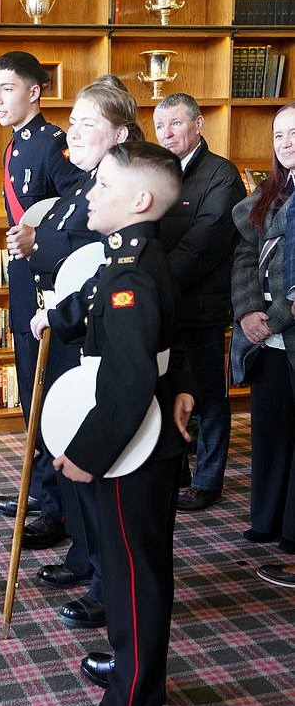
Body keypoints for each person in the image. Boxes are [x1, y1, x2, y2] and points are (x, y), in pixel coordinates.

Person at [31, 141, 195, 706]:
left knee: (133, 575)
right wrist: (57, 316)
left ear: (140, 201)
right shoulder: (131, 260)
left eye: (102, 187)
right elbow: (150, 337)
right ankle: (133, 660)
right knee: (135, 571)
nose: (89, 195)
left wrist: (85, 453)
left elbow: (128, 380)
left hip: (132, 444)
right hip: (137, 432)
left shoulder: (132, 271)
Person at [28, 84, 140, 638]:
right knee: (64, 450)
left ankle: (103, 583)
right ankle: (82, 558)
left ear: (120, 134)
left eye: (86, 123)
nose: (71, 132)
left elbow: (108, 274)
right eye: (69, 121)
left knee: (96, 465)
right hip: (66, 338)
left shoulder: (126, 189)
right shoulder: (79, 188)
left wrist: (64, 313)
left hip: (92, 340)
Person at [0, 51, 81, 550]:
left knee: (48, 396)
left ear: (34, 92)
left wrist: (39, 243)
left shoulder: (53, 145)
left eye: (5, 88)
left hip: (53, 288)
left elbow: (81, 217)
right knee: (31, 394)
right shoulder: (14, 146)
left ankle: (56, 508)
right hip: (25, 287)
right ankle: (41, 491)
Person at [153, 93, 246, 511]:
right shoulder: (157, 172)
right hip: (165, 307)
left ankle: (207, 480)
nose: (167, 133)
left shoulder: (221, 175)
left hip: (203, 307)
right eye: (160, 126)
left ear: (198, 124)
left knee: (209, 396)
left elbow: (203, 244)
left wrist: (155, 280)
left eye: (175, 123)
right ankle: (179, 472)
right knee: (172, 389)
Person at [230, 101, 295, 572]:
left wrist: (273, 317)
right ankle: (267, 518)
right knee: (270, 430)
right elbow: (244, 256)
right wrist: (249, 311)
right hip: (267, 336)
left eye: (294, 133)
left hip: (286, 330)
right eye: (278, 136)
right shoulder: (269, 194)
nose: (286, 143)